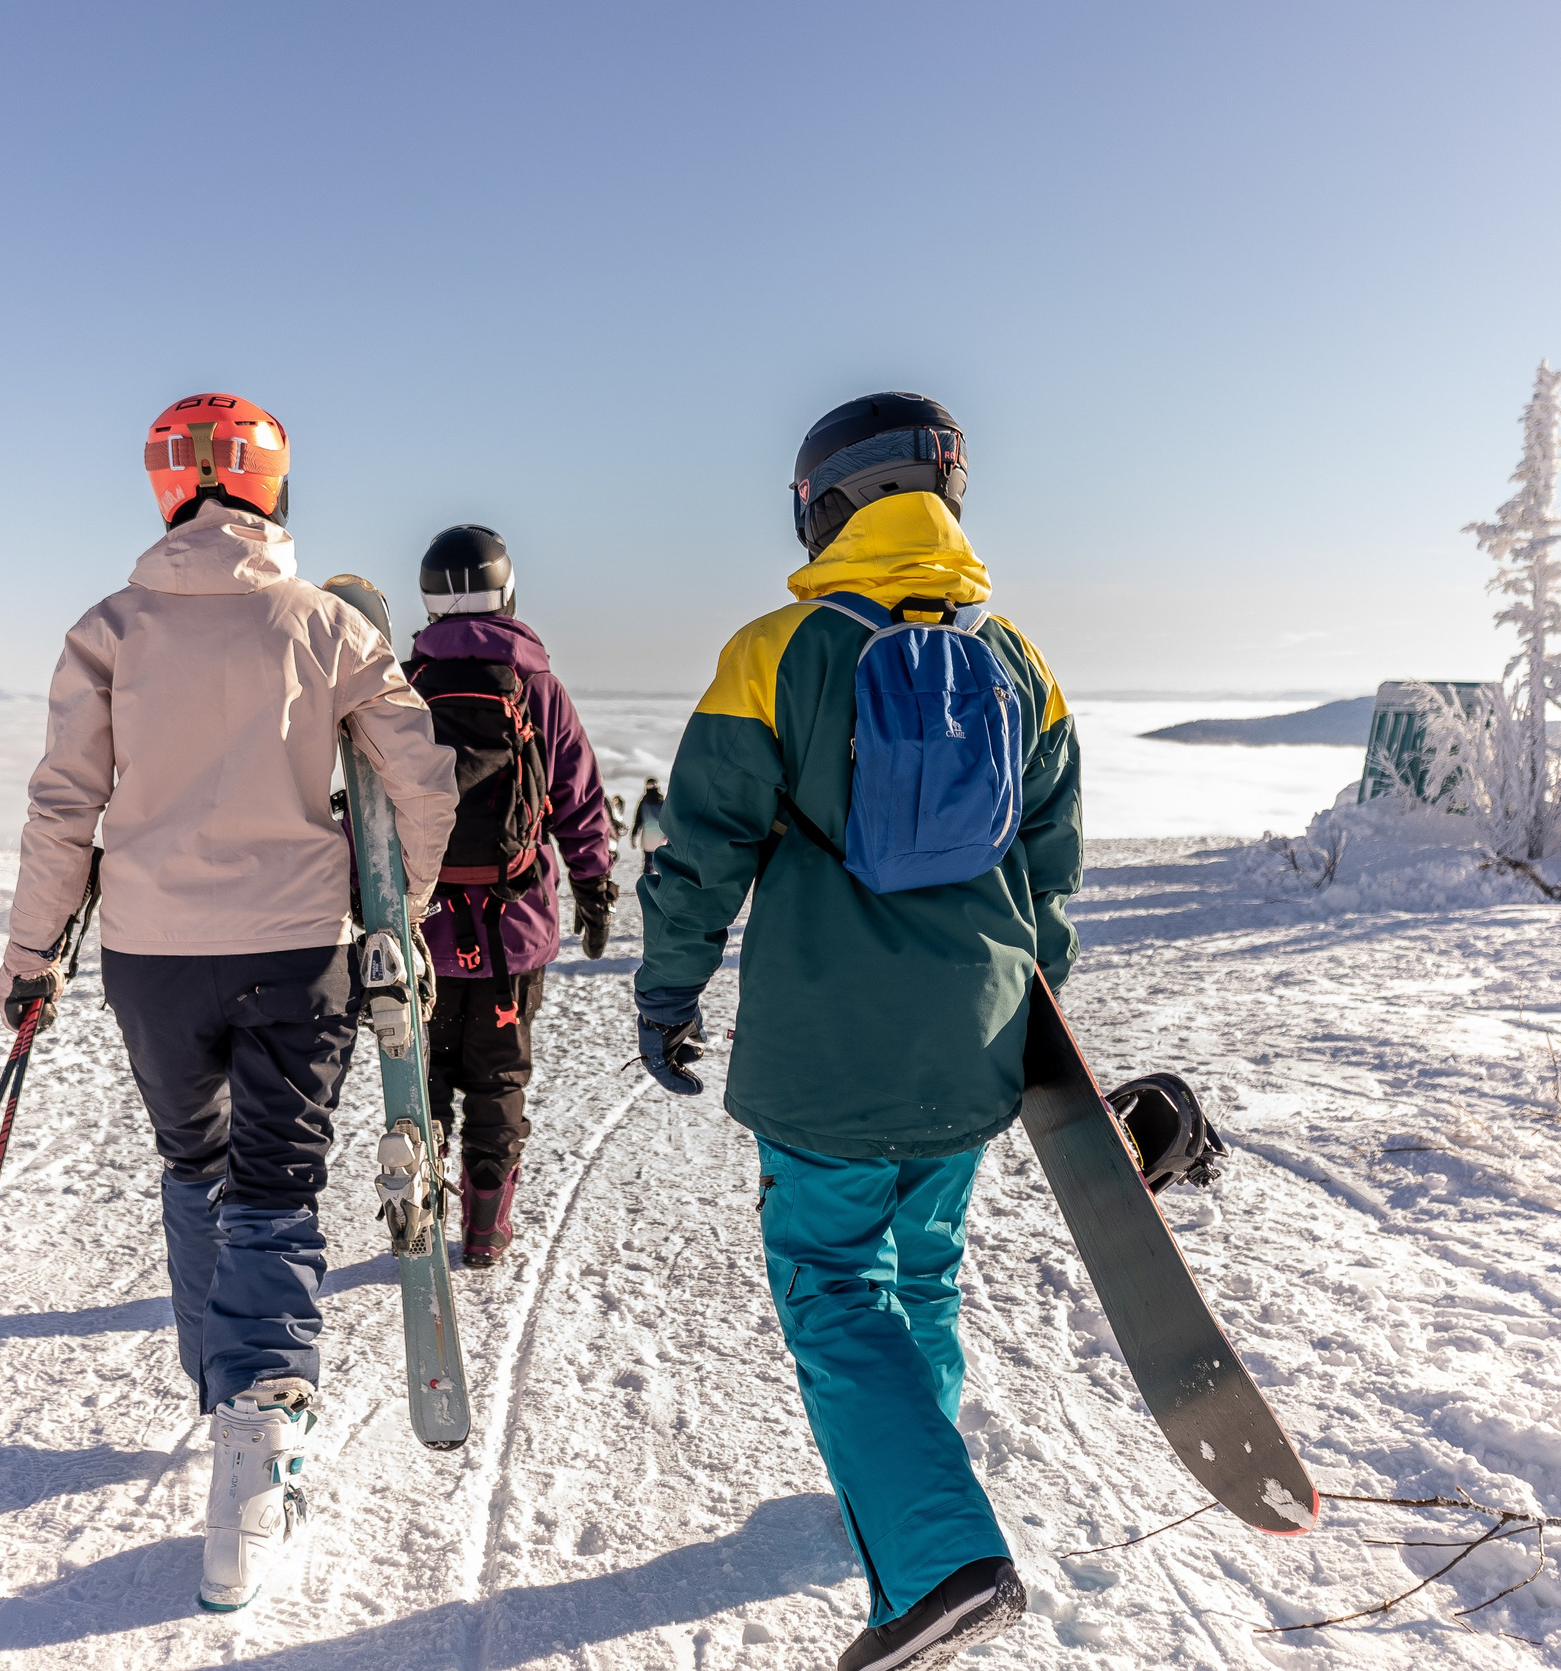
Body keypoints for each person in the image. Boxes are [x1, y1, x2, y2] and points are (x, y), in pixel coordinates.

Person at [630, 393, 1081, 1671]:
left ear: (820, 504)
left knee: (832, 1282)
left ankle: (941, 1556)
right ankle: (901, 1497)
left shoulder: (775, 651)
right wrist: (1031, 1005)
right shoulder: (1020, 662)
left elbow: (699, 854)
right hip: (978, 1045)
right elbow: (1052, 880)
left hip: (830, 1048)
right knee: (919, 1269)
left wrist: (670, 991)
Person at [0, 393, 457, 1615]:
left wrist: (30, 953)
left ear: (167, 487)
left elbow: (62, 806)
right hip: (297, 946)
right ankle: (253, 1458)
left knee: (191, 1159)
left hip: (150, 954)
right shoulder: (325, 626)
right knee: (274, 1187)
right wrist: (395, 909)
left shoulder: (108, 627)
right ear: (274, 487)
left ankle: (219, 1382)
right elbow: (420, 775)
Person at [405, 523, 616, 1266]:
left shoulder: (405, 685)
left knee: (424, 1075)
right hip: (513, 926)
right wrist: (592, 885)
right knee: (498, 1078)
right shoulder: (537, 685)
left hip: (421, 928)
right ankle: (487, 1229)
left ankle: (418, 1204)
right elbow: (577, 794)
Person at [628, 776, 668, 874]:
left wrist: (633, 836)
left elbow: (638, 821)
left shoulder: (643, 802)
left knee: (648, 862)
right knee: (662, 863)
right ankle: (662, 885)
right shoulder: (663, 802)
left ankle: (648, 884)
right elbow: (668, 821)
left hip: (647, 836)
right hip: (661, 836)